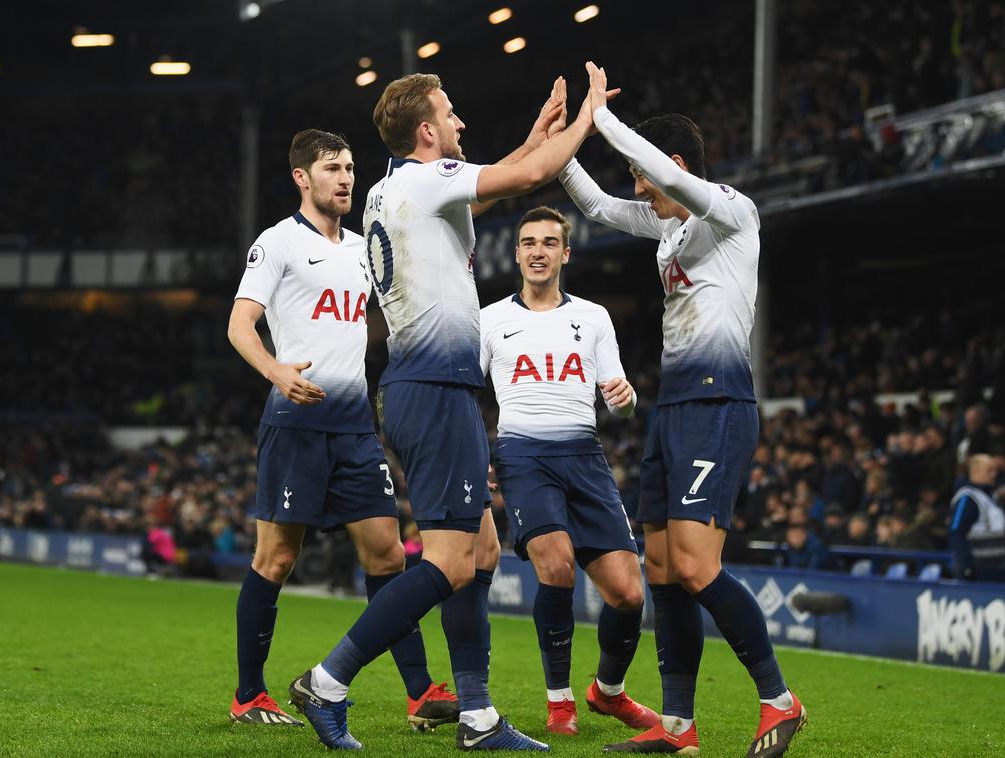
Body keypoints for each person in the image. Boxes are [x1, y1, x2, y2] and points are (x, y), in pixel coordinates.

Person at [290, 70, 610, 751]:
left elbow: (503, 179)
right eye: (452, 114)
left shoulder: (392, 192)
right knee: (451, 562)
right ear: (427, 132)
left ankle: (476, 713)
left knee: (482, 546)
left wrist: (538, 135)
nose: (461, 123)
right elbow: (526, 179)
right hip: (436, 388)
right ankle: (329, 680)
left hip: (420, 385)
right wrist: (589, 119)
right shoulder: (423, 182)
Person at [560, 63, 805, 757]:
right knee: (663, 569)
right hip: (673, 408)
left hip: (719, 403)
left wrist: (603, 119)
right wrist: (565, 143)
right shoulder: (669, 231)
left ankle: (779, 701)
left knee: (697, 566)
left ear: (671, 167)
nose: (641, 192)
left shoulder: (729, 211)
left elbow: (649, 177)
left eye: (647, 178)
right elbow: (601, 208)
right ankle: (678, 727)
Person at [226, 129, 457, 730]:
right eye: (332, 168)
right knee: (276, 559)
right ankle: (250, 694)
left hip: (356, 425)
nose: (346, 177)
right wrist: (277, 371)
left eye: (351, 167)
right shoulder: (276, 243)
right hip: (296, 423)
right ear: (302, 177)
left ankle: (420, 694)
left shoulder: (363, 249)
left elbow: (377, 322)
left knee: (387, 553)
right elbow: (240, 326)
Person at [480, 206, 657, 736]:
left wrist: (624, 400)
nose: (538, 251)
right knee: (555, 565)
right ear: (517, 254)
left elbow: (619, 401)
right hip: (523, 457)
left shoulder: (595, 317)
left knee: (629, 594)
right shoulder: (490, 319)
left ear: (565, 253)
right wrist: (479, 454)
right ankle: (559, 703)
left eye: (548, 242)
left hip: (585, 456)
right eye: (528, 242)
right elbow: (467, 394)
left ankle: (607, 693)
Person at [948, 454, 1005, 580]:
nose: (994, 475)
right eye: (989, 471)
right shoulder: (967, 498)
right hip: (977, 571)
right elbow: (957, 532)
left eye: (995, 471)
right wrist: (966, 566)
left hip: (998, 568)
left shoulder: (993, 497)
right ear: (975, 472)